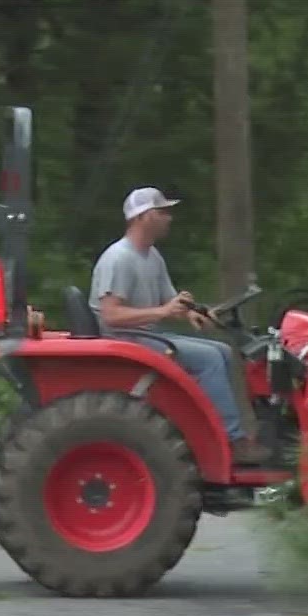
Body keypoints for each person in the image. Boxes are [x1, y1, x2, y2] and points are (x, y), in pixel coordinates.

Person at [90, 186, 268, 465]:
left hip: (145, 335)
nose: (169, 218)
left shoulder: (151, 256)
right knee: (209, 359)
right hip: (125, 341)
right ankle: (232, 442)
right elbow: (110, 316)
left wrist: (190, 313)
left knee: (221, 351)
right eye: (162, 212)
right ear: (142, 217)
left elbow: (170, 301)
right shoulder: (119, 258)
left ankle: (227, 432)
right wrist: (163, 311)